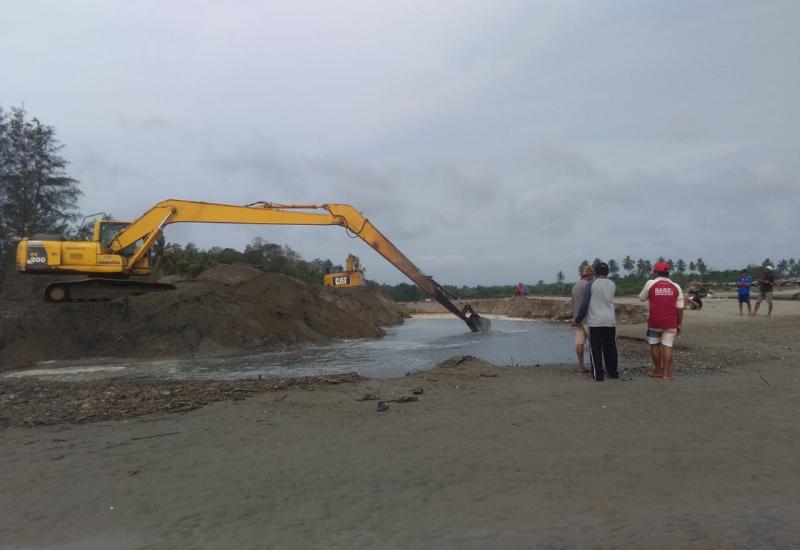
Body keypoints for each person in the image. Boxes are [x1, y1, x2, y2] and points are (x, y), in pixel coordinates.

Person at [638, 261, 684, 381]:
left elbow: (641, 298)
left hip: (655, 321)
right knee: (668, 346)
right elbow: (680, 308)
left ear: (655, 272)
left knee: (654, 344)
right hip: (670, 321)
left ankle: (657, 370)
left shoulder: (650, 283)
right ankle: (666, 374)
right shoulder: (676, 286)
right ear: (668, 272)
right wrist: (679, 323)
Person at [574, 262, 618, 381]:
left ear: (596, 273)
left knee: (596, 349)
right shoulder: (612, 284)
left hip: (595, 322)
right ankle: (613, 372)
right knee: (610, 348)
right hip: (610, 321)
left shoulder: (591, 284)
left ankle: (598, 375)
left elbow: (584, 305)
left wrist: (578, 319)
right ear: (607, 272)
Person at [570, 265, 594, 374]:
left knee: (579, 342)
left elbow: (574, 303)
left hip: (577, 319)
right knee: (594, 344)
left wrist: (575, 318)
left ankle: (581, 366)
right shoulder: (589, 285)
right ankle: (595, 366)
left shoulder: (575, 286)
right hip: (588, 319)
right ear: (589, 275)